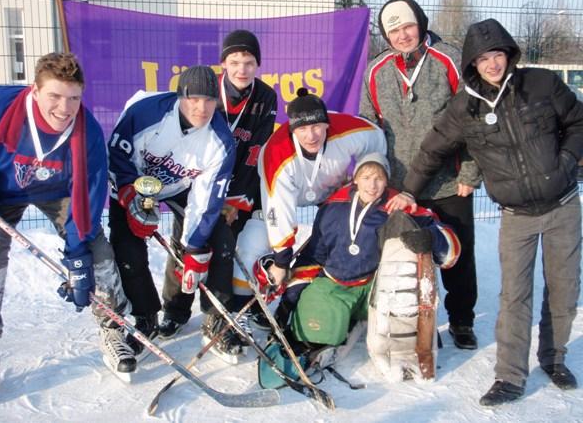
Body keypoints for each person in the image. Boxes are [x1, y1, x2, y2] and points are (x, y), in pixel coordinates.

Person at [402, 18, 583, 406]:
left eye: (498, 54)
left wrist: (568, 161)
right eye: (483, 58)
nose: (493, 64)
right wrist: (407, 193)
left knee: (564, 290)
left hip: (563, 205)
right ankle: (510, 376)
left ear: (509, 55)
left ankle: (554, 358)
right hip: (516, 215)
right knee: (514, 296)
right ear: (472, 63)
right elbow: (432, 150)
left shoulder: (541, 84)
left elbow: (578, 122)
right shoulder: (464, 108)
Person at [0, 52, 135, 385]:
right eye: (54, 96)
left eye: (74, 98)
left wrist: (78, 256)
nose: (65, 108)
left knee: (98, 254)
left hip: (60, 192)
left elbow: (90, 195)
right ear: (34, 91)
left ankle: (113, 329)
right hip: (1, 189)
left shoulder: (88, 132)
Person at [360, 0, 481, 350]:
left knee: (457, 254)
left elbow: (474, 119)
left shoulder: (450, 58)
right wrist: (375, 176)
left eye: (408, 26)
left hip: (448, 181)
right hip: (400, 185)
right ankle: (410, 317)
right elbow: (369, 126)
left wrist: (470, 171)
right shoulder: (376, 69)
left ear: (421, 23)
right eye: (394, 30)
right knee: (404, 256)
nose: (403, 35)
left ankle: (461, 319)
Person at [157, 30, 278, 361]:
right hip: (194, 181)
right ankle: (176, 310)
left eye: (249, 62)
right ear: (223, 63)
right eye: (235, 62)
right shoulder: (208, 92)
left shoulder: (266, 97)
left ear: (258, 64)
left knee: (222, 248)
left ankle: (217, 319)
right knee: (185, 243)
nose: (242, 69)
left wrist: (236, 198)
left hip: (234, 187)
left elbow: (257, 150)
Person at [107, 65, 235, 356]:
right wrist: (129, 197)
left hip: (180, 186)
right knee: (127, 248)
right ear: (180, 96)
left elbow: (206, 198)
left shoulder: (220, 141)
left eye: (210, 100)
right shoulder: (145, 112)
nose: (201, 108)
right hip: (135, 182)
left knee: (220, 240)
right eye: (194, 99)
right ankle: (145, 315)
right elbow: (116, 155)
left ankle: (215, 319)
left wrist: (194, 248)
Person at [287, 152, 460, 353]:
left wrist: (431, 237)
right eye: (366, 178)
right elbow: (314, 255)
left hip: (377, 287)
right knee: (315, 334)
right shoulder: (333, 208)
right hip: (335, 282)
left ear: (387, 180)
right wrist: (291, 297)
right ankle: (339, 317)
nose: (372, 185)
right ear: (356, 179)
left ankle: (374, 318)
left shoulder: (398, 206)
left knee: (403, 343)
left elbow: (449, 244)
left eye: (379, 178)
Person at [250, 88, 387, 326]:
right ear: (293, 129)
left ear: (327, 124)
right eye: (302, 129)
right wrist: (282, 260)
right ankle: (273, 300)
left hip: (332, 190)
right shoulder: (277, 154)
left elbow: (376, 138)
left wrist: (363, 175)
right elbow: (278, 209)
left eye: (317, 127)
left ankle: (343, 282)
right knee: (259, 244)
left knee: (333, 238)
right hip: (288, 192)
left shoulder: (347, 130)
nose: (311, 135)